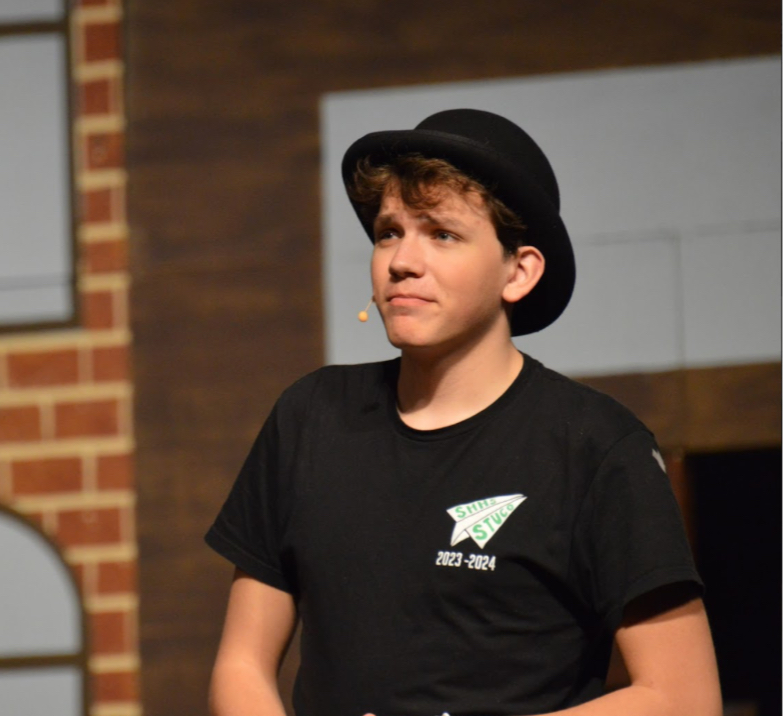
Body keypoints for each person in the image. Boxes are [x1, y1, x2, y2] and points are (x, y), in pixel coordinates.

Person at [204, 109, 721, 716]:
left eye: (442, 234)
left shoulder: (595, 447)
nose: (401, 261)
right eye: (389, 232)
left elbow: (684, 698)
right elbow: (241, 665)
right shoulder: (310, 418)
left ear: (518, 270)